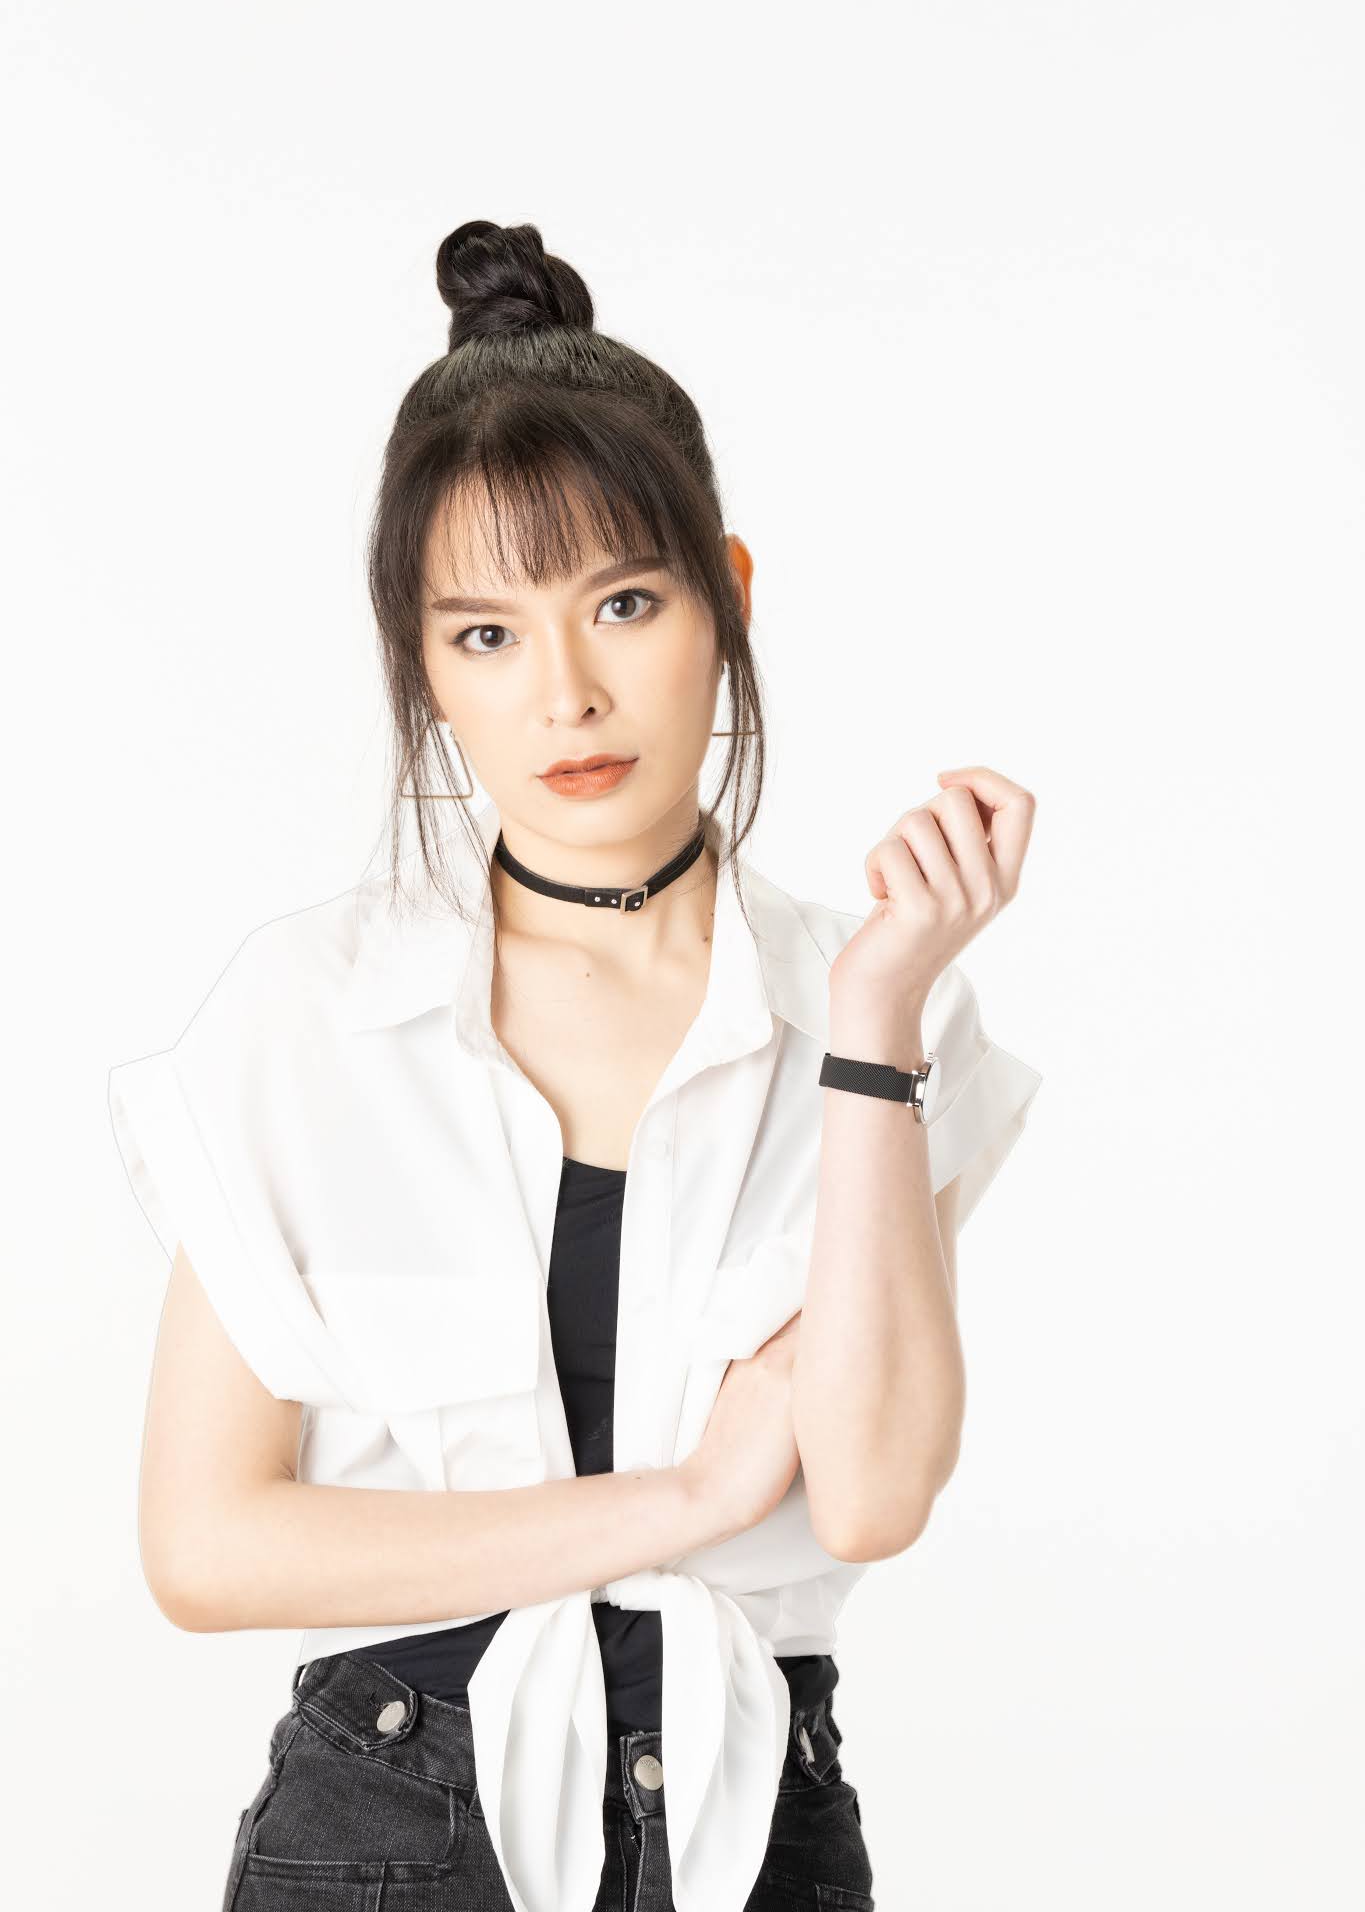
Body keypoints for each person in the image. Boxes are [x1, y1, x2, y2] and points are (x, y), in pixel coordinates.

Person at [107, 219, 1043, 1912]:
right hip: (387, 1827)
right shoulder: (306, 1018)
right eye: (485, 635)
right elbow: (206, 1546)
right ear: (420, 662)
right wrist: (682, 1498)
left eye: (622, 603)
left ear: (725, 598)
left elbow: (873, 1491)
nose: (567, 694)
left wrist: (876, 1029)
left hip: (754, 1830)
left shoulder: (874, 1005)